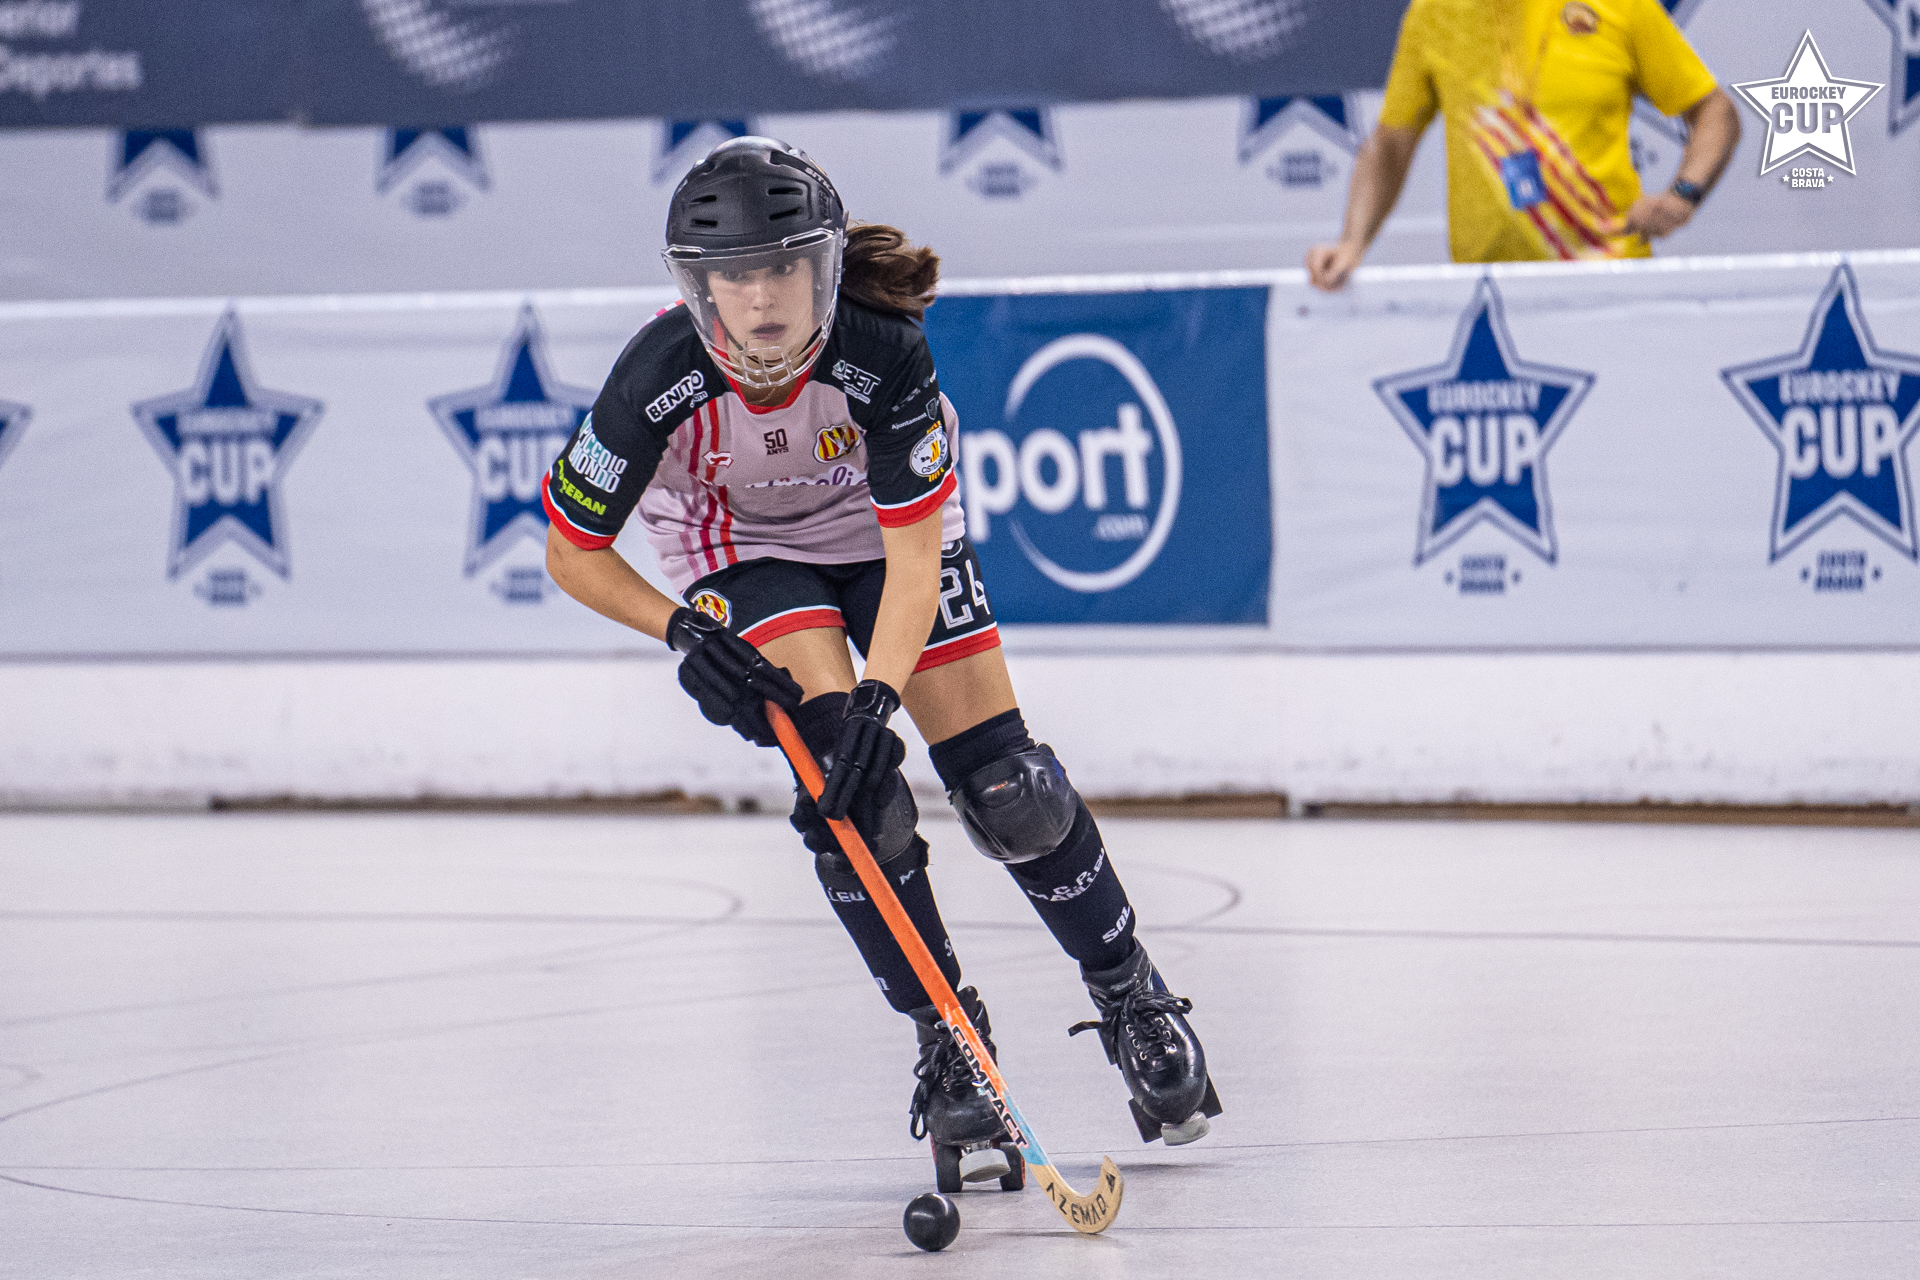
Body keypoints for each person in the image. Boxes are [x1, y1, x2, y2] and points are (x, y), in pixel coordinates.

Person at [541, 137, 1221, 1187]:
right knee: (855, 804)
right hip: (741, 549)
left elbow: (911, 561)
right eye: (733, 275)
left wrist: (877, 699)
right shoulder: (657, 373)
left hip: (879, 533)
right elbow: (571, 547)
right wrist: (683, 631)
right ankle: (948, 1034)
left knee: (1010, 788)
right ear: (697, 287)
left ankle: (1131, 991)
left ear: (821, 267)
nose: (760, 300)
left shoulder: (882, 348)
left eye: (781, 269)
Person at [1307, 0, 1740, 290]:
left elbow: (1714, 111)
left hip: (1609, 282)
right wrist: (1351, 243)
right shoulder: (1433, 12)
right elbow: (1391, 143)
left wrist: (1683, 194)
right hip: (1488, 294)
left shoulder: (1619, 6)